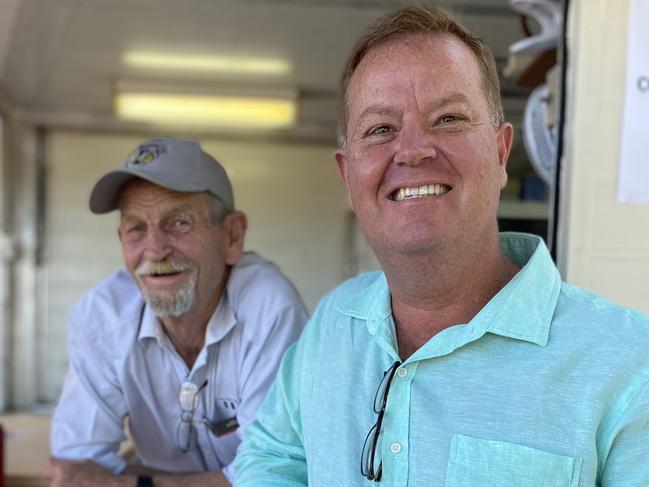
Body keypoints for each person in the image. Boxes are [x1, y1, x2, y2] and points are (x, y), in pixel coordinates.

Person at [234, 6, 649, 486]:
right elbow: (270, 457)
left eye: (448, 118)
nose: (412, 150)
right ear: (349, 176)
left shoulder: (629, 362)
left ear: (499, 153)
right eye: (381, 129)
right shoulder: (333, 323)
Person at [48, 137, 308, 487]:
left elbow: (270, 477)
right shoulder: (103, 317)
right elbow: (74, 470)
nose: (155, 249)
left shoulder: (268, 307)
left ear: (232, 236)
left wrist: (140, 483)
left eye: (180, 223)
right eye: (136, 228)